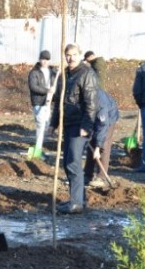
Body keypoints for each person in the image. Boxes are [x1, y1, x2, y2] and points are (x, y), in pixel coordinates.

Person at [51, 44, 98, 214]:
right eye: (68, 55)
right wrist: (54, 123)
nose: (71, 58)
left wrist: (86, 126)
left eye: (74, 55)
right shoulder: (64, 75)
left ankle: (77, 203)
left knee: (73, 162)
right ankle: (78, 198)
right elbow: (59, 101)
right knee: (67, 162)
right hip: (68, 123)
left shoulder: (87, 74)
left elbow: (91, 103)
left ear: (80, 55)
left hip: (80, 125)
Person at [85, 87, 120, 187]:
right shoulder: (83, 94)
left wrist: (97, 147)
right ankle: (88, 174)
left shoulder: (99, 102)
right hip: (93, 118)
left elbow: (103, 125)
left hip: (108, 118)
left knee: (104, 145)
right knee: (90, 142)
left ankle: (101, 177)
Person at [28, 50, 56, 157]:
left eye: (46, 59)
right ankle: (38, 149)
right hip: (38, 102)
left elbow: (56, 84)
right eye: (43, 59)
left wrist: (54, 92)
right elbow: (33, 87)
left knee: (47, 124)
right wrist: (47, 90)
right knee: (41, 124)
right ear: (40, 60)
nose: (44, 61)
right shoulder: (34, 72)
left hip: (49, 102)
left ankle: (40, 146)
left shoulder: (52, 72)